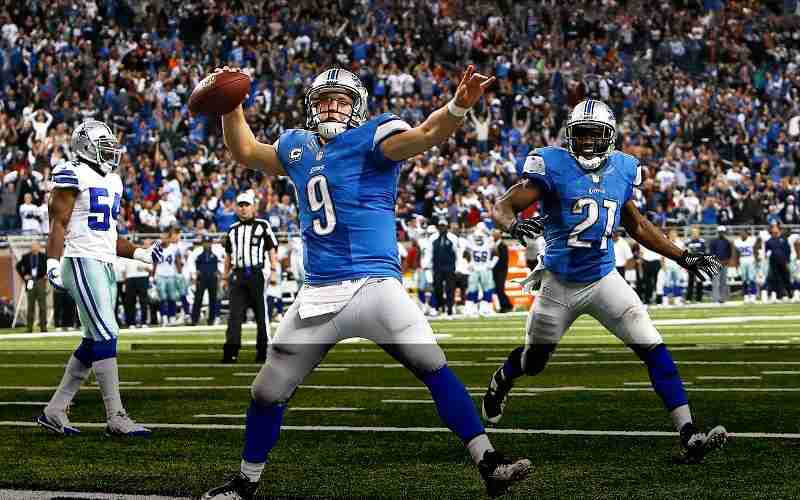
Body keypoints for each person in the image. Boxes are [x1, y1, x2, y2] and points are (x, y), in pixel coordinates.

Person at [202, 65, 530, 500]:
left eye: (340, 99)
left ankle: (489, 462)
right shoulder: (296, 146)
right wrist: (230, 104)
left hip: (376, 286)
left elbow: (426, 134)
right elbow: (244, 150)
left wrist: (457, 107)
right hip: (318, 293)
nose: (331, 106)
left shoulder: (374, 137)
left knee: (433, 364)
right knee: (266, 390)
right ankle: (246, 482)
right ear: (311, 106)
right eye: (323, 99)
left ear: (356, 107)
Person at [481, 99, 727, 465]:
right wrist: (514, 225)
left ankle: (688, 432)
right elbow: (503, 206)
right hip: (559, 284)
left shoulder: (624, 169)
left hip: (602, 277)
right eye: (581, 136)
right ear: (570, 137)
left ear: (609, 137)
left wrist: (683, 256)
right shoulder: (551, 164)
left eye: (596, 136)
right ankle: (503, 379)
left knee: (653, 346)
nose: (588, 144)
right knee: (535, 361)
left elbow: (638, 225)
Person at [38, 119, 163, 437]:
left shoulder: (114, 182)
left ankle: (55, 409)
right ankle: (116, 416)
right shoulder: (72, 173)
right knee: (107, 333)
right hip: (81, 262)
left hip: (103, 262)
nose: (111, 151)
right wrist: (53, 263)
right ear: (85, 147)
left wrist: (140, 253)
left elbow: (108, 235)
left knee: (94, 340)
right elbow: (58, 224)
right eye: (104, 145)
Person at [222, 191, 278, 363]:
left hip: (256, 273)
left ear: (253, 207)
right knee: (234, 315)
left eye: (247, 205)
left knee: (261, 315)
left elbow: (271, 248)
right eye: (241, 205)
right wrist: (225, 276)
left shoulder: (262, 225)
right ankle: (231, 352)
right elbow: (228, 255)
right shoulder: (232, 230)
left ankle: (263, 352)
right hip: (238, 275)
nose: (244, 208)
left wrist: (274, 270)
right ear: (236, 209)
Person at [465, 223, 497, 316]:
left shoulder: (489, 240)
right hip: (474, 268)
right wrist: (468, 264)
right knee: (472, 288)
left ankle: (486, 307)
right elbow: (465, 254)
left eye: (481, 235)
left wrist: (491, 265)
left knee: (487, 288)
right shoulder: (470, 240)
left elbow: (496, 254)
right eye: (477, 236)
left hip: (485, 268)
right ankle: (473, 307)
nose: (479, 238)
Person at [16, 240, 47, 332]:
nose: (34, 247)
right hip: (30, 282)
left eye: (36, 246)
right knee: (30, 305)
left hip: (40, 281)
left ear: (39, 247)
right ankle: (29, 327)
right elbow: (18, 266)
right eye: (32, 246)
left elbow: (48, 267)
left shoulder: (43, 256)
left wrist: (46, 275)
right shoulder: (25, 257)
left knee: (42, 305)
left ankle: (43, 327)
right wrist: (23, 276)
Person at [191, 235, 221, 326]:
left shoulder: (216, 253)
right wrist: (195, 274)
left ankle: (211, 319)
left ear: (211, 243)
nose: (207, 244)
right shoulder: (197, 253)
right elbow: (192, 263)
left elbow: (220, 265)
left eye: (208, 242)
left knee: (213, 299)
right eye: (205, 243)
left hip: (212, 277)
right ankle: (194, 319)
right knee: (198, 299)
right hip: (202, 278)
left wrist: (219, 275)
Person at [122, 241, 152, 328]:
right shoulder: (126, 256)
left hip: (142, 277)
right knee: (131, 302)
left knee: (144, 301)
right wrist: (125, 282)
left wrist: (145, 268)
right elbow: (124, 271)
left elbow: (150, 270)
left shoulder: (144, 254)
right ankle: (132, 322)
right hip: (130, 278)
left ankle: (144, 322)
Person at [431, 218, 457, 317]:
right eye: (440, 226)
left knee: (450, 288)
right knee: (438, 288)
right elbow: (430, 253)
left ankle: (449, 308)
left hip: (450, 267)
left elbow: (457, 253)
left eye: (443, 226)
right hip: (437, 267)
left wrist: (458, 267)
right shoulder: (433, 238)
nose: (442, 228)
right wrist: (428, 267)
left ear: (447, 227)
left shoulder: (453, 238)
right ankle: (440, 306)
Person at [765, 223, 792, 302]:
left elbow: (788, 250)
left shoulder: (783, 239)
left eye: (775, 228)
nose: (774, 230)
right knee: (776, 279)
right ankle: (780, 296)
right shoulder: (769, 241)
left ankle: (790, 295)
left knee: (786, 278)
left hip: (783, 262)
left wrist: (787, 260)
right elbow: (767, 252)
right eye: (773, 229)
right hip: (774, 263)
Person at [661, 229, 686, 306]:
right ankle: (665, 300)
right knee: (667, 284)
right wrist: (663, 265)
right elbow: (662, 255)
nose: (673, 236)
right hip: (668, 266)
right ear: (669, 235)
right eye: (671, 234)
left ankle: (677, 300)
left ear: (676, 235)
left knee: (677, 283)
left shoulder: (680, 243)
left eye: (674, 234)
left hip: (677, 266)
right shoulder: (665, 243)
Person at [709, 226, 734, 304]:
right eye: (720, 232)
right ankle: (716, 299)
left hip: (724, 264)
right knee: (715, 282)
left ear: (724, 232)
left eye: (723, 232)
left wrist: (725, 261)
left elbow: (729, 254)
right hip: (715, 264)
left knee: (723, 282)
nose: (721, 233)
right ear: (718, 232)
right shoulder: (713, 242)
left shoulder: (727, 242)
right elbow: (711, 254)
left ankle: (722, 298)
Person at [733, 229, 758, 303]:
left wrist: (756, 259)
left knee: (752, 279)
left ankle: (753, 295)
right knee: (744, 280)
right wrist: (736, 264)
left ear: (747, 234)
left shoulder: (752, 240)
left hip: (751, 261)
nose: (743, 235)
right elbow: (736, 253)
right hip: (742, 261)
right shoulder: (737, 242)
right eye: (741, 234)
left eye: (744, 234)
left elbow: (756, 247)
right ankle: (746, 296)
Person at [492, 230, 513, 313]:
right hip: (497, 270)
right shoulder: (495, 244)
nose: (493, 236)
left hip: (501, 271)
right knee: (498, 289)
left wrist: (494, 266)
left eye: (495, 235)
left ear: (499, 236)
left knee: (500, 289)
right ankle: (504, 306)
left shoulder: (502, 245)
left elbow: (504, 259)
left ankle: (507, 305)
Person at [685, 226, 706, 303]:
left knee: (699, 282)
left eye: (696, 232)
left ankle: (699, 299)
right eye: (693, 232)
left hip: (699, 264)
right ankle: (688, 298)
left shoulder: (702, 242)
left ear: (699, 233)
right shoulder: (688, 241)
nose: (695, 234)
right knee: (690, 282)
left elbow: (703, 254)